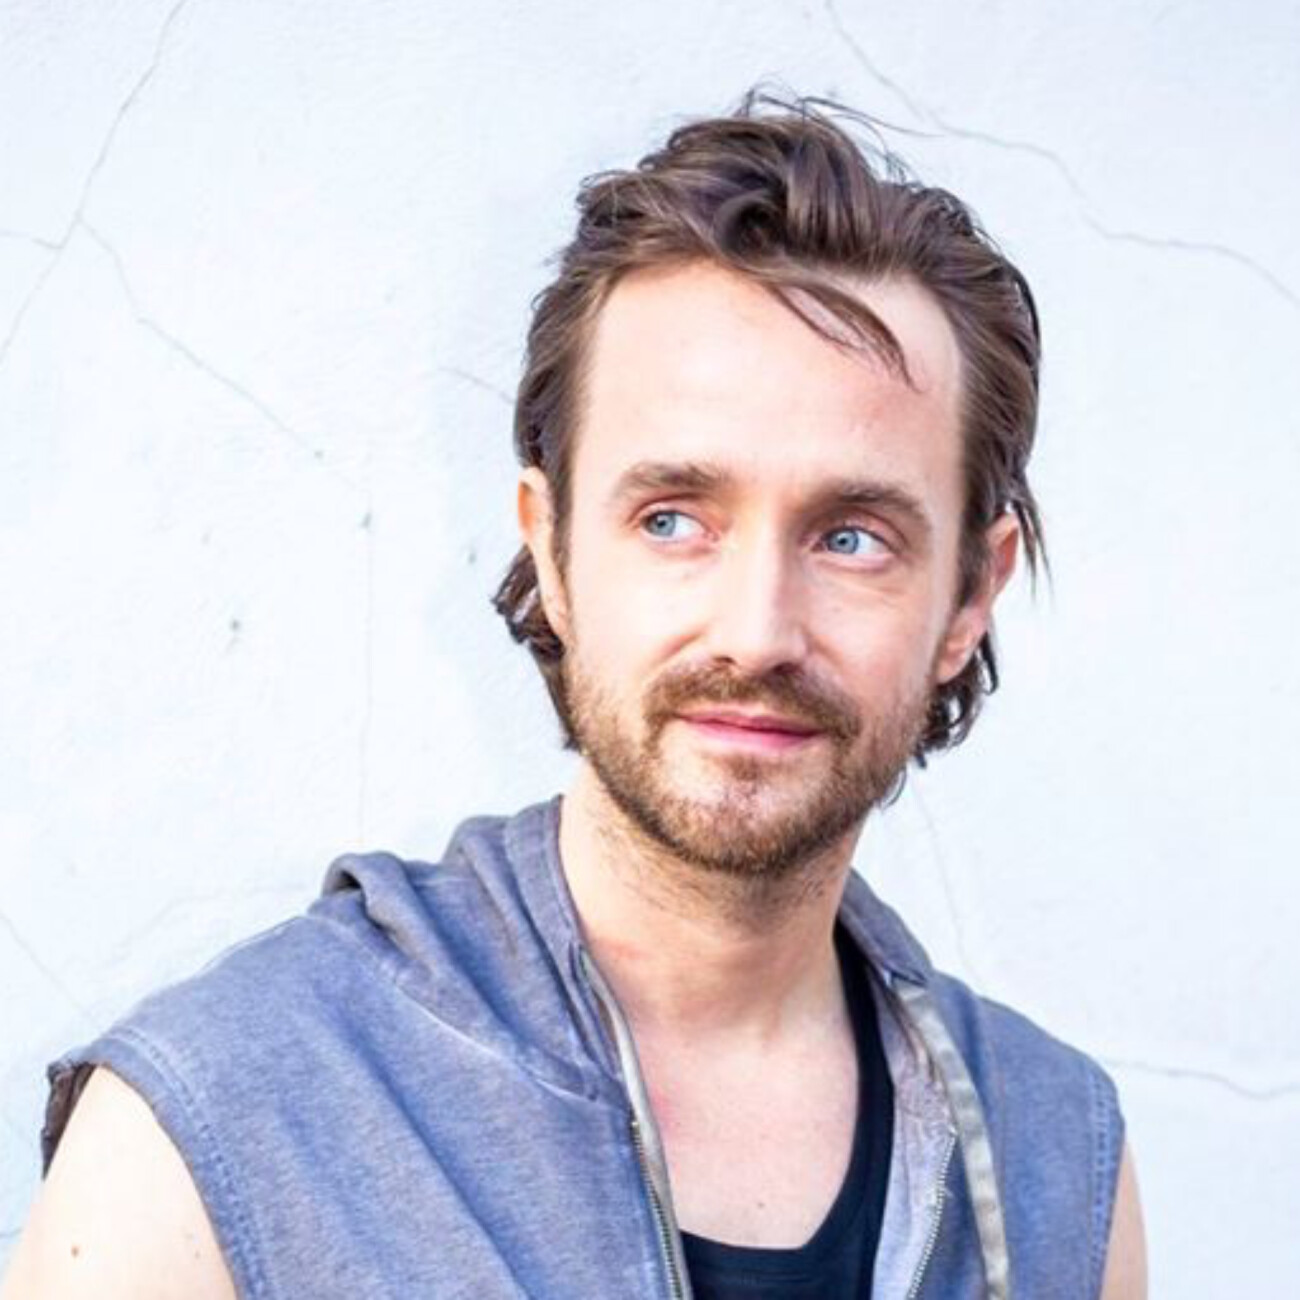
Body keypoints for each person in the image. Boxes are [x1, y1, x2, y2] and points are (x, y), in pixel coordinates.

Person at [2, 94, 1146, 1299]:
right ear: (549, 549)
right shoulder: (214, 1125)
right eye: (672, 519)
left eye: (851, 537)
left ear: (969, 594)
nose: (756, 631)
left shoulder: (1056, 1157)